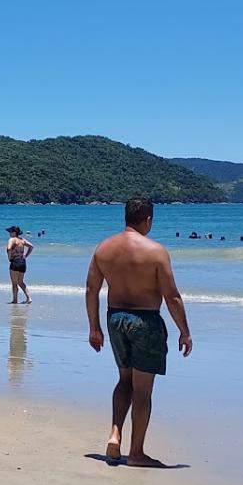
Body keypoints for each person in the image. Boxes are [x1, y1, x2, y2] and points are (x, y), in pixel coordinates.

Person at [85, 198, 193, 468]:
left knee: (124, 381)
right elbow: (172, 296)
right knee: (142, 391)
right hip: (146, 322)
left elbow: (91, 290)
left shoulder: (103, 249)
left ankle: (114, 433)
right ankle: (136, 453)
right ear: (148, 220)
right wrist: (185, 331)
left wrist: (94, 327)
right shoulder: (156, 251)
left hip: (115, 318)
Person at [5, 225, 34, 304]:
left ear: (14, 233)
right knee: (20, 282)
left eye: (10, 232)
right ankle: (29, 298)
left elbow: (8, 248)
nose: (9, 233)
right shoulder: (22, 240)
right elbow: (31, 246)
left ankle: (15, 300)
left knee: (14, 283)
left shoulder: (12, 239)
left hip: (15, 262)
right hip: (22, 262)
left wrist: (9, 257)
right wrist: (25, 256)